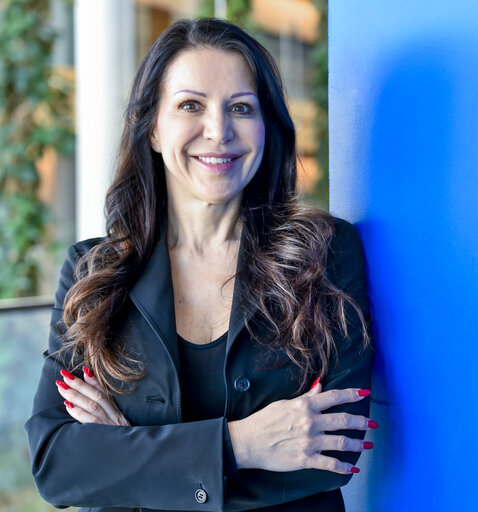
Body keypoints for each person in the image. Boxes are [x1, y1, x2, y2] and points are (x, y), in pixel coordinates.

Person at [25, 18, 374, 512]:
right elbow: (57, 464)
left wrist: (131, 454)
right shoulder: (91, 271)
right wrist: (243, 444)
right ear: (152, 129)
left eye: (240, 108)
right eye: (191, 105)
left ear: (266, 129)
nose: (218, 131)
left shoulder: (325, 253)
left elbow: (330, 453)